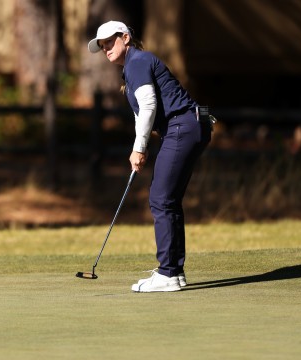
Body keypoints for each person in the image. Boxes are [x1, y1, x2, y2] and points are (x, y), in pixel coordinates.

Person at [88, 21, 212, 292]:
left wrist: (140, 148)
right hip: (190, 125)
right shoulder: (131, 69)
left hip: (183, 125)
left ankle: (168, 273)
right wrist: (139, 147)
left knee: (160, 198)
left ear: (125, 37)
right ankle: (174, 273)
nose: (106, 48)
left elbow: (149, 105)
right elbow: (139, 116)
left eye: (110, 42)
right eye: (102, 46)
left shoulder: (137, 61)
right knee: (168, 199)